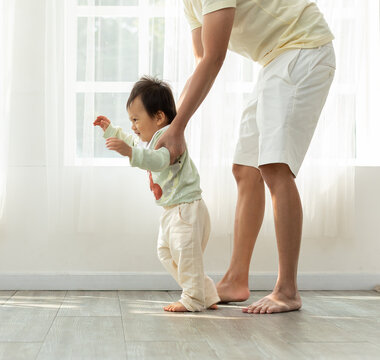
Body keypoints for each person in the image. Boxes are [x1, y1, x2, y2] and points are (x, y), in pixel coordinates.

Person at [155, 0, 336, 314]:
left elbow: (214, 58)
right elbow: (201, 60)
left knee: (275, 167)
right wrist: (171, 128)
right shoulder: (189, 4)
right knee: (246, 168)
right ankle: (236, 279)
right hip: (276, 59)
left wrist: (178, 127)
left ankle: (287, 290)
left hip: (304, 48)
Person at [93, 76, 220, 312]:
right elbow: (133, 141)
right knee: (165, 252)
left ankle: (192, 298)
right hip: (173, 209)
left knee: (186, 256)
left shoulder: (171, 135)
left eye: (136, 119)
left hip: (187, 208)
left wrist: (130, 153)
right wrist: (111, 130)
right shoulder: (151, 139)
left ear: (159, 117)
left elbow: (159, 161)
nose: (133, 125)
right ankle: (206, 293)